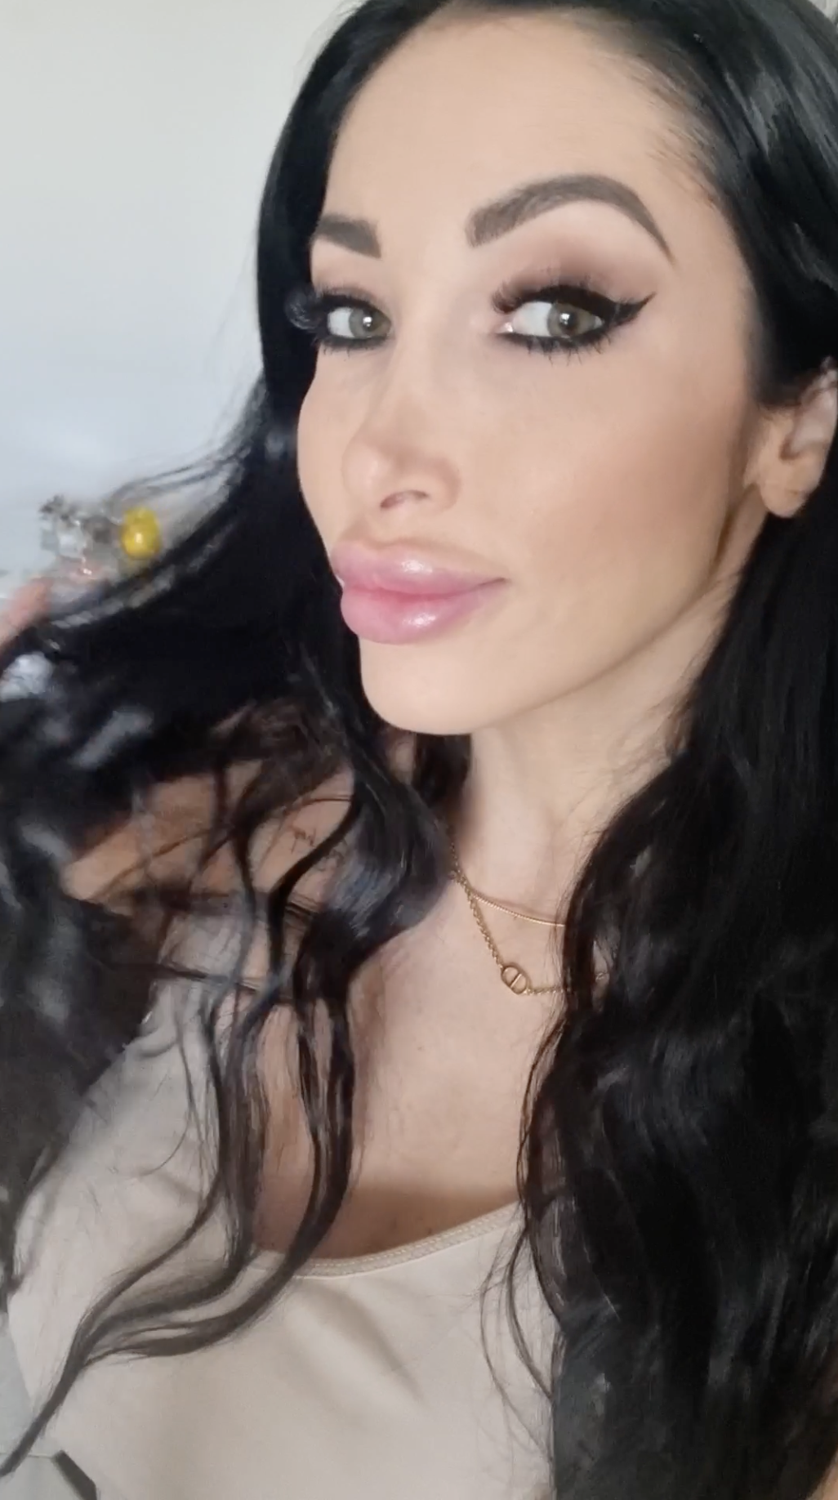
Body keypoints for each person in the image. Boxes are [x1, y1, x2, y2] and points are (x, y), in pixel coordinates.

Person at [3, 0, 838, 1495]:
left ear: (798, 422)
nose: (378, 449)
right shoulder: (202, 812)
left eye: (553, 315)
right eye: (352, 316)